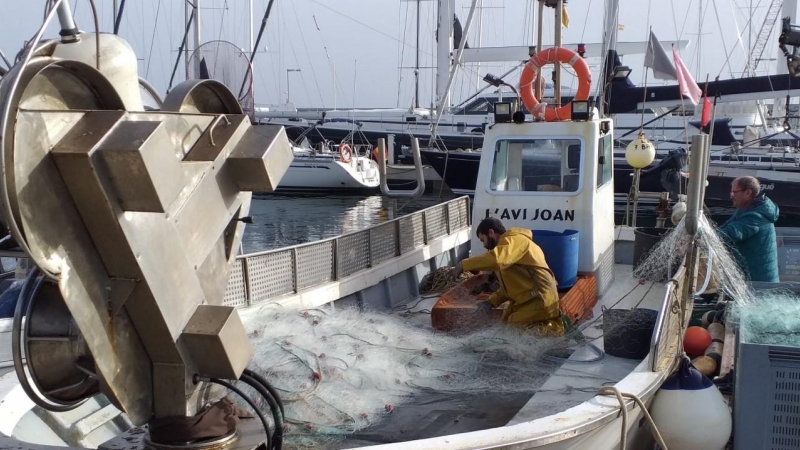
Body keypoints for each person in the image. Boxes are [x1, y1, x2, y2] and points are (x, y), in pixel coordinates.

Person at [449, 217, 564, 335]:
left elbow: (497, 260)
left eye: (483, 240)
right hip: (526, 299)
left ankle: (557, 329)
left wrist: (464, 264)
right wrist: (491, 302)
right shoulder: (506, 251)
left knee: (514, 328)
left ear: (491, 232)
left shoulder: (516, 241)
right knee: (503, 325)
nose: (483, 245)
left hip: (540, 298)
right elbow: (508, 289)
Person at [718, 176, 779, 282]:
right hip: (749, 281)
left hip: (758, 286)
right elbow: (725, 227)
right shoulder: (746, 209)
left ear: (747, 193)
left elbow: (731, 233)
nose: (731, 196)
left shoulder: (756, 216)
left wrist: (702, 236)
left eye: (734, 192)